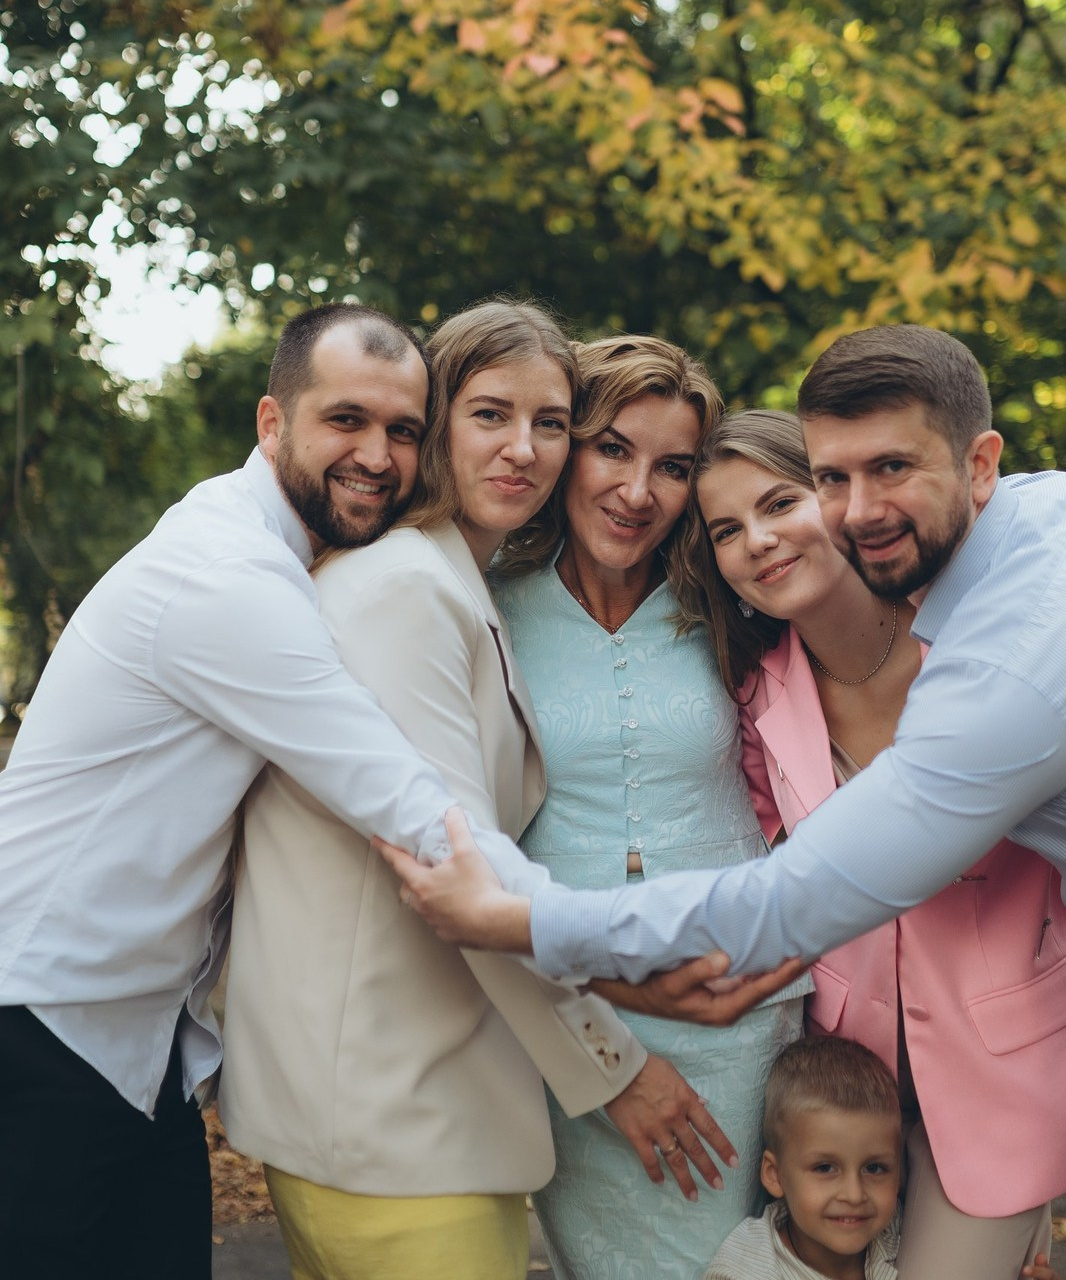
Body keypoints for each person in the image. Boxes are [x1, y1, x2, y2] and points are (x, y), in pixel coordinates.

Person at [385, 323, 1066, 1280]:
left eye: (883, 470)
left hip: (1030, 1071)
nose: (854, 510)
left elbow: (800, 896)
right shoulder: (1044, 523)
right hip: (853, 1083)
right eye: (834, 478)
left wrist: (520, 917)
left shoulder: (994, 673)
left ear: (981, 465)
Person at [0, 302, 610, 1280]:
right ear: (272, 422)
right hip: (38, 1025)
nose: (376, 454)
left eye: (402, 430)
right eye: (345, 420)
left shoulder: (286, 557)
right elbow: (414, 807)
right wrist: (638, 946)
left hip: (134, 1045)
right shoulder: (229, 581)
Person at [221, 301, 736, 1280]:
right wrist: (613, 1065)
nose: (524, 449)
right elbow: (456, 871)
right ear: (435, 417)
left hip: (406, 1121)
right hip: (393, 1124)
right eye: (490, 414)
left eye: (550, 423)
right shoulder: (407, 589)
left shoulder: (450, 581)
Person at [669, 408, 1066, 1279]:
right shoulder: (755, 699)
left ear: (838, 501)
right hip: (851, 1089)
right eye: (727, 530)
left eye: (779, 503)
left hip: (1007, 1072)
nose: (758, 541)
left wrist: (1039, 1185)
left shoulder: (973, 646)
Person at [489, 336, 809, 1277]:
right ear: (566, 449)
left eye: (673, 467)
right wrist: (596, 1055)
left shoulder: (730, 604)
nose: (639, 490)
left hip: (747, 1014)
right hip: (577, 1014)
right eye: (613, 449)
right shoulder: (484, 608)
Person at [704, 1036, 902, 1280]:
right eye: (825, 1168)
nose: (854, 1194)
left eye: (874, 1168)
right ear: (774, 1175)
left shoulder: (901, 1234)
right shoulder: (748, 1272)